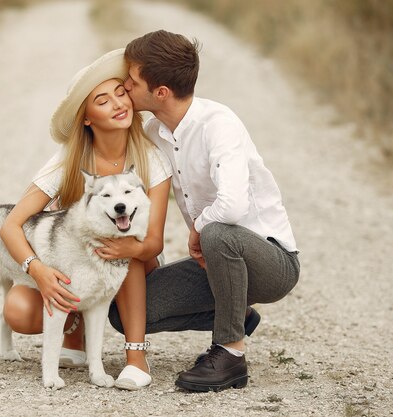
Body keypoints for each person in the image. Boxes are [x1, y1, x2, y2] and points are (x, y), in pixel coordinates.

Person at [107, 30, 300, 392]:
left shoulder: (218, 125)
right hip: (216, 266)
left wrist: (198, 229)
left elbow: (232, 206)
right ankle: (236, 316)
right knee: (125, 312)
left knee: (217, 231)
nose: (126, 88)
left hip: (272, 262)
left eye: (132, 82)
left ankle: (230, 354)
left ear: (160, 92)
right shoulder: (153, 133)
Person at [0, 49, 172, 390]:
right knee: (18, 309)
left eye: (121, 94)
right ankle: (74, 333)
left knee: (124, 245)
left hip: (136, 261)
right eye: (102, 100)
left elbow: (153, 242)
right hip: (77, 265)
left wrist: (125, 245)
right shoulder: (68, 160)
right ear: (87, 118)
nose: (118, 104)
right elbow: (10, 224)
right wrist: (38, 270)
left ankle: (136, 357)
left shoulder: (151, 158)